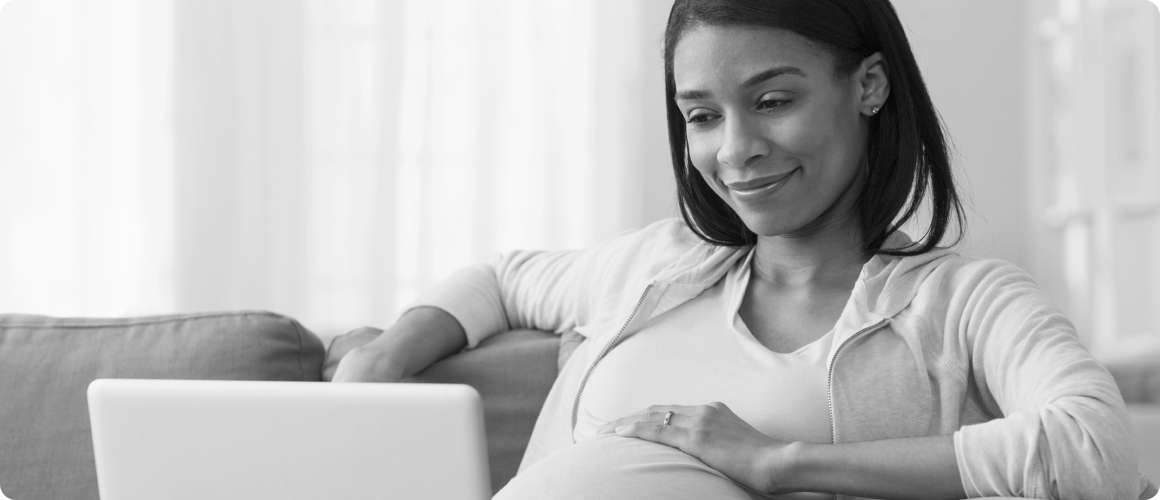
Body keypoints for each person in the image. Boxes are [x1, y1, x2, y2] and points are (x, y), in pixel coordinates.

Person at [334, 1, 1158, 499]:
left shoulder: (965, 302)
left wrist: (783, 462)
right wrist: (388, 355)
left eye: (772, 100)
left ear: (868, 85)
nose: (736, 150)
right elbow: (501, 280)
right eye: (701, 114)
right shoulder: (658, 263)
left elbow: (1098, 452)